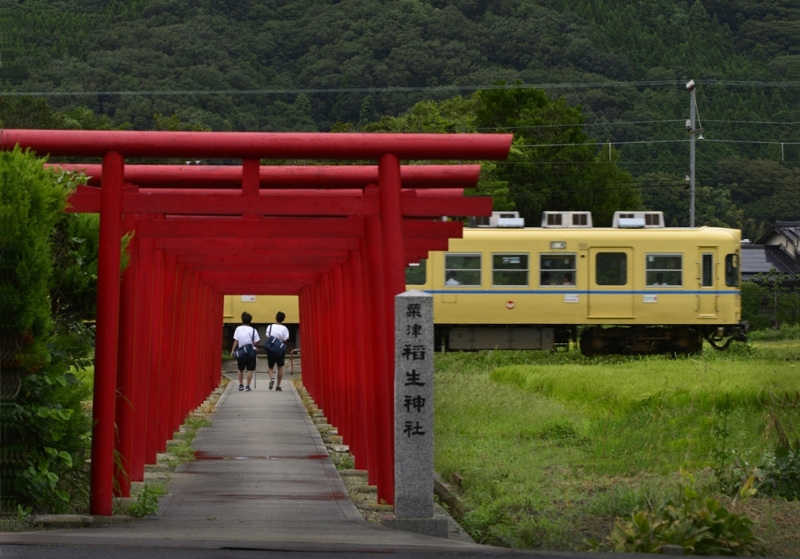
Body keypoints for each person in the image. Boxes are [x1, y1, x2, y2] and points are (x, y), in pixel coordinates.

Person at [231, 311, 259, 392]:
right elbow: (256, 342)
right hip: (251, 352)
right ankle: (247, 386)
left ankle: (240, 385)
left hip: (241, 352)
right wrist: (255, 347)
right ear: (250, 321)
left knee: (240, 369)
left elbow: (236, 340)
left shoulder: (238, 329)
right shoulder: (254, 330)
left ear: (242, 320)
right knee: (249, 369)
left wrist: (233, 350)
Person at [265, 311, 290, 391]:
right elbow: (285, 339)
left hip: (271, 348)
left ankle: (272, 377)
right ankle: (278, 386)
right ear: (283, 319)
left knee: (270, 367)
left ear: (276, 318)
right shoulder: (284, 328)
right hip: (280, 349)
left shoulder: (270, 326)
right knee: (280, 367)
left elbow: (268, 336)